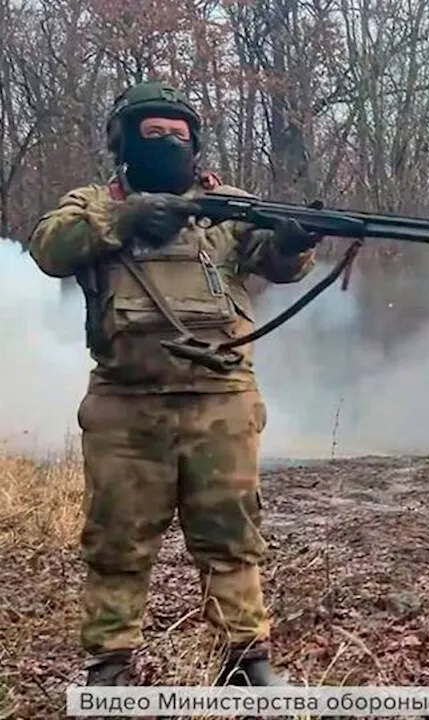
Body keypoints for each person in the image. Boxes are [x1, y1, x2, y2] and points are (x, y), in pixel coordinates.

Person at [26, 80, 322, 686]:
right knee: (117, 542)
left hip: (223, 401)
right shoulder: (92, 203)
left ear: (196, 146)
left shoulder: (228, 206)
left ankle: (245, 660)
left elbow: (278, 259)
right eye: (151, 133)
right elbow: (49, 248)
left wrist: (296, 244)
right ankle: (109, 664)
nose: (166, 143)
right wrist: (126, 217)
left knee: (231, 535)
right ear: (124, 142)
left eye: (177, 135)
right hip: (125, 406)